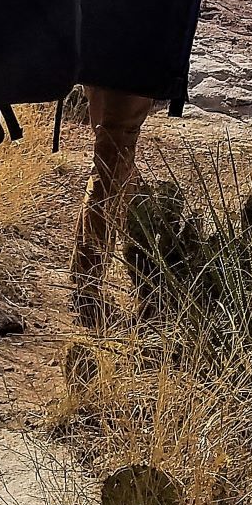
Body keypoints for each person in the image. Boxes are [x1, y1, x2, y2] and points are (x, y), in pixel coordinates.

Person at [67, 84, 155, 327]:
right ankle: (87, 285)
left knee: (110, 147)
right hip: (130, 60)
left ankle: (85, 277)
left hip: (103, 53)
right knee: (114, 154)